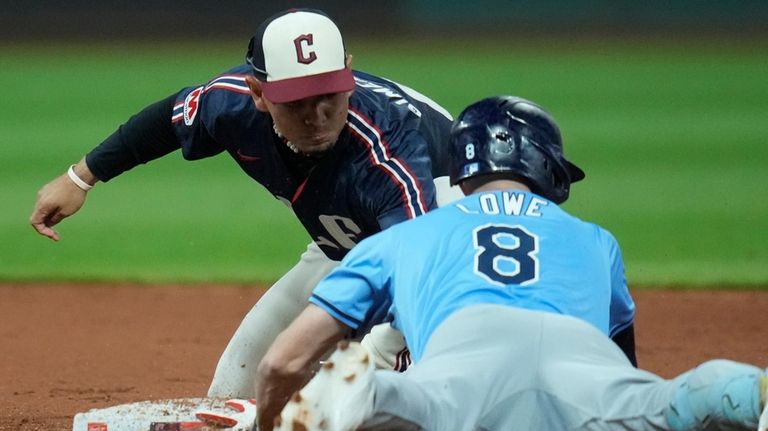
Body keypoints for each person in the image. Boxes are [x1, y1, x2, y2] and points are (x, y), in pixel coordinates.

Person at [253, 96, 768, 431]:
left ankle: (344, 401)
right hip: (584, 373)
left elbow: (283, 361)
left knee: (353, 391)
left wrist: (276, 417)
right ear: (546, 165)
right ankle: (751, 394)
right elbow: (621, 359)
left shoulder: (406, 236)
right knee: (687, 399)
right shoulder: (597, 240)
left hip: (461, 376)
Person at [28, 8, 464, 398]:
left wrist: (362, 364)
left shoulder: (389, 152)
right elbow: (167, 120)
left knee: (367, 394)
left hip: (451, 255)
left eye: (329, 95)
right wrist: (80, 177)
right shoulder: (230, 103)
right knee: (233, 390)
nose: (316, 117)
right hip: (353, 243)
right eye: (296, 103)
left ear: (348, 73)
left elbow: (419, 272)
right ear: (258, 92)